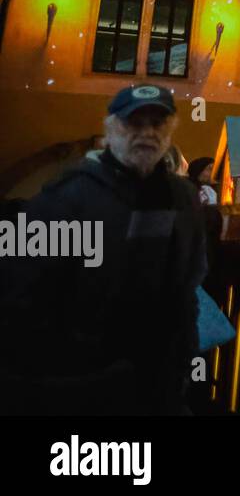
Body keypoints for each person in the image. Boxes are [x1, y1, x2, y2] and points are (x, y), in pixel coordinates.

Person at [0, 84, 206, 415]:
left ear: (170, 131)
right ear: (110, 130)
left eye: (157, 123)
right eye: (134, 124)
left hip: (155, 387)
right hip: (77, 389)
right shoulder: (67, 198)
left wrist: (183, 364)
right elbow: (21, 301)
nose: (147, 133)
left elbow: (185, 291)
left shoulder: (182, 200)